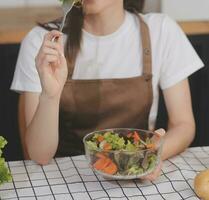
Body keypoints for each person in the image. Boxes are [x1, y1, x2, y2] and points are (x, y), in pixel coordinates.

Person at [11, 0, 204, 180]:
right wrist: (50, 95)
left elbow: (183, 125)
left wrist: (148, 156)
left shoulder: (160, 30)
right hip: (68, 179)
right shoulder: (43, 43)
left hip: (135, 179)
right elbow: (39, 155)